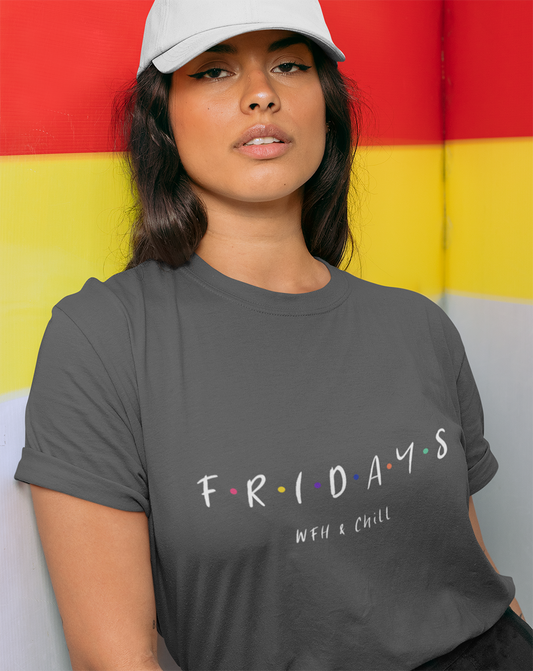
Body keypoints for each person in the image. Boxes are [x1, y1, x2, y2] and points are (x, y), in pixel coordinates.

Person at [14, 0, 533, 669]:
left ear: (326, 106)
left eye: (289, 65)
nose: (261, 94)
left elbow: (470, 573)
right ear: (162, 119)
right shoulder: (103, 339)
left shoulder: (418, 326)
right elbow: (113, 656)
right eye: (214, 71)